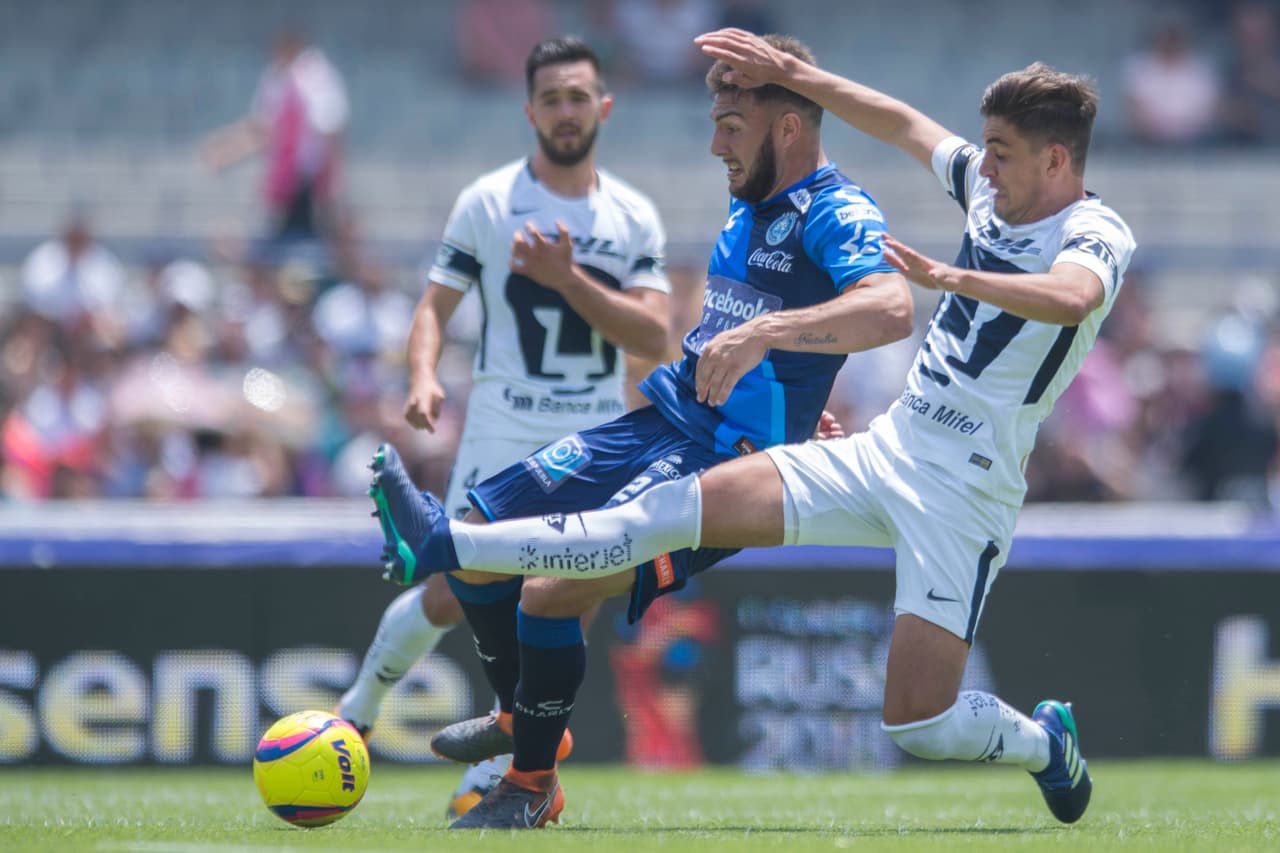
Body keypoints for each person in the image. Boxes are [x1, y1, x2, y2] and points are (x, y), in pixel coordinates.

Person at [372, 28, 1136, 829]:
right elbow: (901, 122)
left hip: (966, 492)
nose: (983, 165)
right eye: (983, 147)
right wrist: (796, 74)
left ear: (1056, 161)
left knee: (921, 723)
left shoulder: (1097, 233)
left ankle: (1046, 742)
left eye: (1003, 153)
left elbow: (1073, 298)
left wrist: (951, 277)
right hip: (887, 448)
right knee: (656, 516)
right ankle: (447, 548)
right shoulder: (982, 188)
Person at [334, 37, 674, 819]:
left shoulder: (631, 216)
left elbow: (654, 338)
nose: (565, 111)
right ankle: (358, 709)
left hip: (592, 434)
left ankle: (512, 781)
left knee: (558, 602)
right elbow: (434, 306)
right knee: (455, 594)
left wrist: (566, 276)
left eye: (578, 97)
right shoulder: (487, 201)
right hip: (499, 427)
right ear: (530, 110)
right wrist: (422, 374)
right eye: (551, 98)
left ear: (604, 107)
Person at [201, 29, 349, 249]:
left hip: (307, 178)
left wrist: (332, 184)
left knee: (306, 244)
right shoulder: (276, 76)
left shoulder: (316, 76)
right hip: (284, 178)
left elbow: (330, 128)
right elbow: (262, 126)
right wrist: (225, 148)